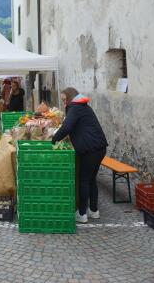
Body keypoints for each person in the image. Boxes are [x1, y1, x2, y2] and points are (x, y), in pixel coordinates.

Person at [52, 87, 108, 224]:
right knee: (91, 179)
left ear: (71, 97)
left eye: (65, 99)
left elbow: (66, 127)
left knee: (84, 180)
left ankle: (82, 213)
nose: (64, 103)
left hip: (90, 149)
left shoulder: (75, 107)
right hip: (99, 147)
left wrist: (54, 139)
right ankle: (94, 211)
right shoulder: (83, 106)